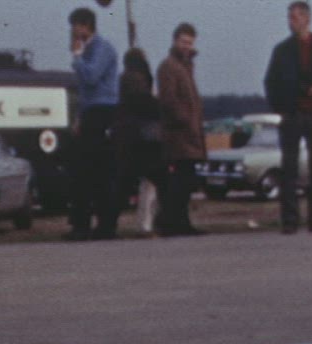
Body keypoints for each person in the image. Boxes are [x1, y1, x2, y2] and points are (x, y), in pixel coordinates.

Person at [263, 2, 312, 234]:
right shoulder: (282, 50)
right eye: (289, 18)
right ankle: (289, 220)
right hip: (292, 115)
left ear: (307, 18)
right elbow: (271, 82)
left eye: (295, 17)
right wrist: (282, 108)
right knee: (289, 169)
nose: (291, 22)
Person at [66, 7, 121, 240]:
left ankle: (104, 225)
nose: (72, 32)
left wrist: (77, 57)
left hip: (103, 111)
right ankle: (82, 224)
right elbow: (84, 90)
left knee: (98, 170)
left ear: (85, 26)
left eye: (75, 27)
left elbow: (91, 77)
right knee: (83, 170)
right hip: (90, 112)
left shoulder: (102, 48)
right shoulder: (89, 49)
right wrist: (79, 117)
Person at [155, 22, 207, 237]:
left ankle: (180, 222)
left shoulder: (186, 66)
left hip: (189, 134)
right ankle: (171, 222)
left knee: (186, 181)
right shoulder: (168, 66)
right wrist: (184, 120)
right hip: (178, 135)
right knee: (180, 181)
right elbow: (168, 99)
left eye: (190, 43)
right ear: (175, 41)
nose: (187, 46)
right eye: (184, 42)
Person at [115, 47, 163, 235]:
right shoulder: (138, 79)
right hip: (143, 137)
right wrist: (161, 107)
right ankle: (147, 222)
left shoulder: (126, 78)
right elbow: (144, 103)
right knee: (152, 180)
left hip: (130, 136)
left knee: (131, 183)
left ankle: (142, 222)